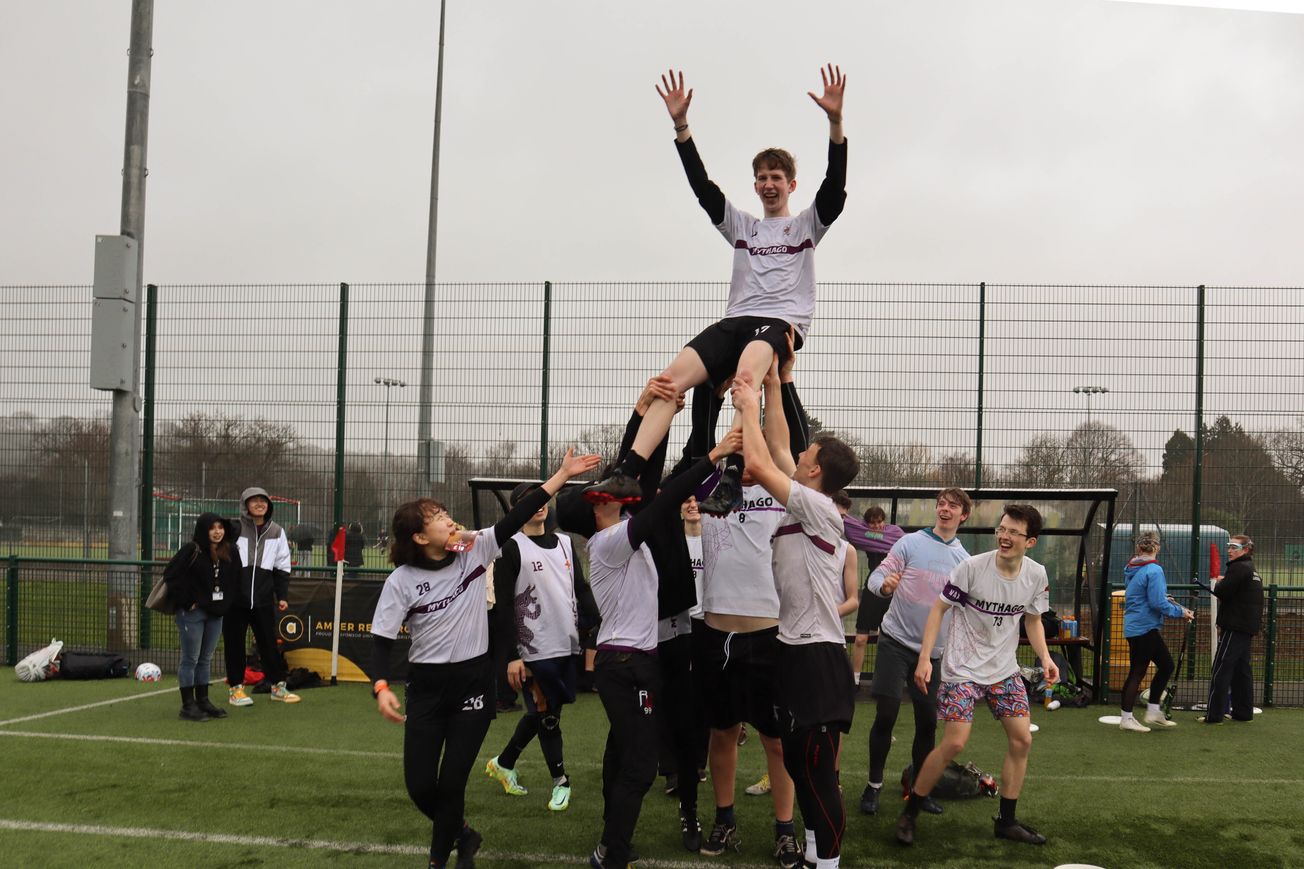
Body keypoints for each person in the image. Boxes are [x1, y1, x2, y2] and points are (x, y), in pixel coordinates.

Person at [584, 65, 847, 517]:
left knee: (746, 381)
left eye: (776, 177)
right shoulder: (743, 226)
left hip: (779, 325)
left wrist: (835, 123)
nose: (768, 184)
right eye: (761, 177)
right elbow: (704, 190)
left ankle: (732, 473)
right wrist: (681, 127)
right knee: (668, 382)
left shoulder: (807, 224)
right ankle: (629, 469)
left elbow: (835, 187)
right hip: (735, 321)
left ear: (790, 185)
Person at [367, 449, 600, 869]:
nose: (448, 519)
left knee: (453, 782)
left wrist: (561, 475)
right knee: (421, 786)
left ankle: (441, 860)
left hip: (473, 685)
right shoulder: (401, 581)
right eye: (437, 517)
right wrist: (381, 687)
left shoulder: (477, 551)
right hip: (426, 688)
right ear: (420, 537)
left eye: (445, 512)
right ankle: (462, 834)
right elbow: (381, 641)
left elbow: (517, 515)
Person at [555, 397, 738, 869]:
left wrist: (654, 411)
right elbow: (662, 491)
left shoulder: (624, 532)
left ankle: (615, 842)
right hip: (627, 663)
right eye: (600, 495)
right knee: (637, 763)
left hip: (639, 660)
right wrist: (714, 457)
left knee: (632, 751)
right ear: (595, 512)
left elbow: (642, 474)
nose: (611, 492)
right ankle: (610, 850)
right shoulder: (614, 540)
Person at [732, 372, 861, 869]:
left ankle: (827, 864)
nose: (801, 455)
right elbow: (781, 445)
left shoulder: (819, 509)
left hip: (817, 657)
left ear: (816, 472)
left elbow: (762, 460)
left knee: (816, 770)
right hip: (793, 650)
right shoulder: (805, 497)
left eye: (810, 455)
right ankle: (811, 853)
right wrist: (771, 383)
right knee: (794, 761)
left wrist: (744, 404)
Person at [695, 358, 810, 868]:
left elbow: (783, 443)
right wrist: (724, 397)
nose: (745, 443)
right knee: (721, 733)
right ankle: (724, 818)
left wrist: (770, 387)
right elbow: (716, 437)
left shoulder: (780, 488)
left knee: (777, 741)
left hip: (769, 635)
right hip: (715, 631)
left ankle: (785, 829)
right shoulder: (709, 485)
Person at [896, 504, 1057, 848]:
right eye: (1002, 529)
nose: (1005, 536)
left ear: (1030, 541)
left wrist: (1045, 658)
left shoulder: (1036, 575)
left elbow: (1032, 619)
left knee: (1022, 739)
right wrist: (925, 658)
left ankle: (1006, 822)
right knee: (955, 741)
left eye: (1014, 532)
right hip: (961, 669)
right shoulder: (970, 568)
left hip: (1003, 670)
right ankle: (911, 813)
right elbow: (939, 609)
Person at [485, 482, 598, 812]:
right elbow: (503, 607)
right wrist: (511, 657)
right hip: (532, 651)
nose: (538, 505)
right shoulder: (510, 547)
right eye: (527, 501)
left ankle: (504, 763)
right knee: (547, 717)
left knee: (544, 713)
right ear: (514, 510)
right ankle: (561, 782)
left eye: (542, 498)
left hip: (566, 646)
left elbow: (580, 588)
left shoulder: (564, 543)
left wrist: (598, 624)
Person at [859, 489, 971, 816]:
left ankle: (919, 790)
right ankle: (873, 785)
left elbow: (966, 609)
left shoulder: (964, 561)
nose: (945, 509)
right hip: (895, 642)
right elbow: (878, 575)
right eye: (942, 504)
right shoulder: (910, 542)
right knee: (887, 714)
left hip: (933, 654)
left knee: (927, 724)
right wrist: (884, 585)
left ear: (963, 515)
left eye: (953, 505)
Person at [224, 487, 299, 706]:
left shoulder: (277, 531)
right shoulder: (234, 528)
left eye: (263, 501)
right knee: (234, 644)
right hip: (235, 601)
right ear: (244, 504)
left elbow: (282, 565)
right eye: (254, 500)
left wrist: (281, 595)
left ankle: (278, 687)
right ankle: (236, 689)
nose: (259, 504)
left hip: (264, 600)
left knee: (268, 644)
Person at [163, 512, 240, 722]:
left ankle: (203, 700)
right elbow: (171, 575)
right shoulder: (192, 549)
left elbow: (235, 579)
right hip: (193, 613)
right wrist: (188, 601)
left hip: (216, 613)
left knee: (205, 659)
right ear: (204, 530)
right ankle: (188, 705)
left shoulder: (230, 551)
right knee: (190, 658)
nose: (217, 532)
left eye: (220, 527)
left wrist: (225, 604)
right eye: (212, 528)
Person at [1119, 532, 1193, 732]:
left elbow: (1146, 595)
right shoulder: (1154, 569)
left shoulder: (1133, 567)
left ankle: (1152, 710)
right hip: (1145, 627)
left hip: (1136, 626)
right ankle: (1127, 717)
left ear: (1139, 548)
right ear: (1156, 547)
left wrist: (1163, 598)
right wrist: (1181, 611)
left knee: (1166, 665)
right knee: (1138, 671)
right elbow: (1157, 602)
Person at [1203, 534, 1264, 724]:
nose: (1229, 550)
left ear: (1245, 549)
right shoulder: (1251, 569)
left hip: (1235, 626)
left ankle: (1214, 715)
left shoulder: (1238, 568)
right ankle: (1243, 712)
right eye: (1229, 546)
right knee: (1241, 669)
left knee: (1221, 667)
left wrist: (1219, 582)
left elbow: (1222, 591)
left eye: (1233, 547)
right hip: (1247, 626)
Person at [846, 506, 905, 686]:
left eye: (880, 521)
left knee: (888, 640)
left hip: (894, 590)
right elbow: (851, 527)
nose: (877, 526)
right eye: (872, 523)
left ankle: (884, 682)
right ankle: (855, 681)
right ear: (867, 524)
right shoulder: (865, 535)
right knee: (861, 638)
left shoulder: (895, 535)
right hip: (873, 590)